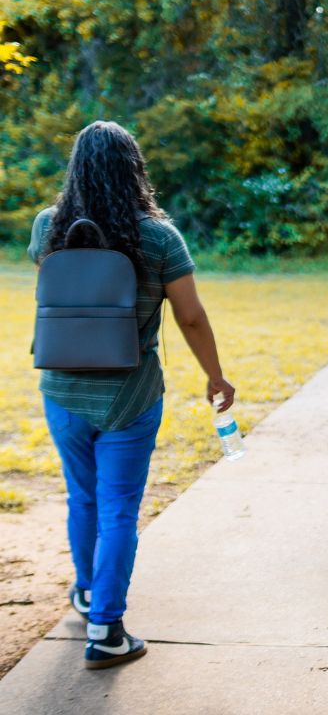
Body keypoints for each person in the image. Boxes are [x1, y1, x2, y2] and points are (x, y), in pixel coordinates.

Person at [29, 121, 235, 668]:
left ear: (77, 168)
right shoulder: (159, 237)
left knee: (83, 498)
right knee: (119, 509)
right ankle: (106, 631)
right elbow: (190, 316)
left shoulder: (49, 226)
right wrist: (215, 376)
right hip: (131, 394)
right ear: (134, 168)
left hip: (63, 389)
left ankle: (88, 592)